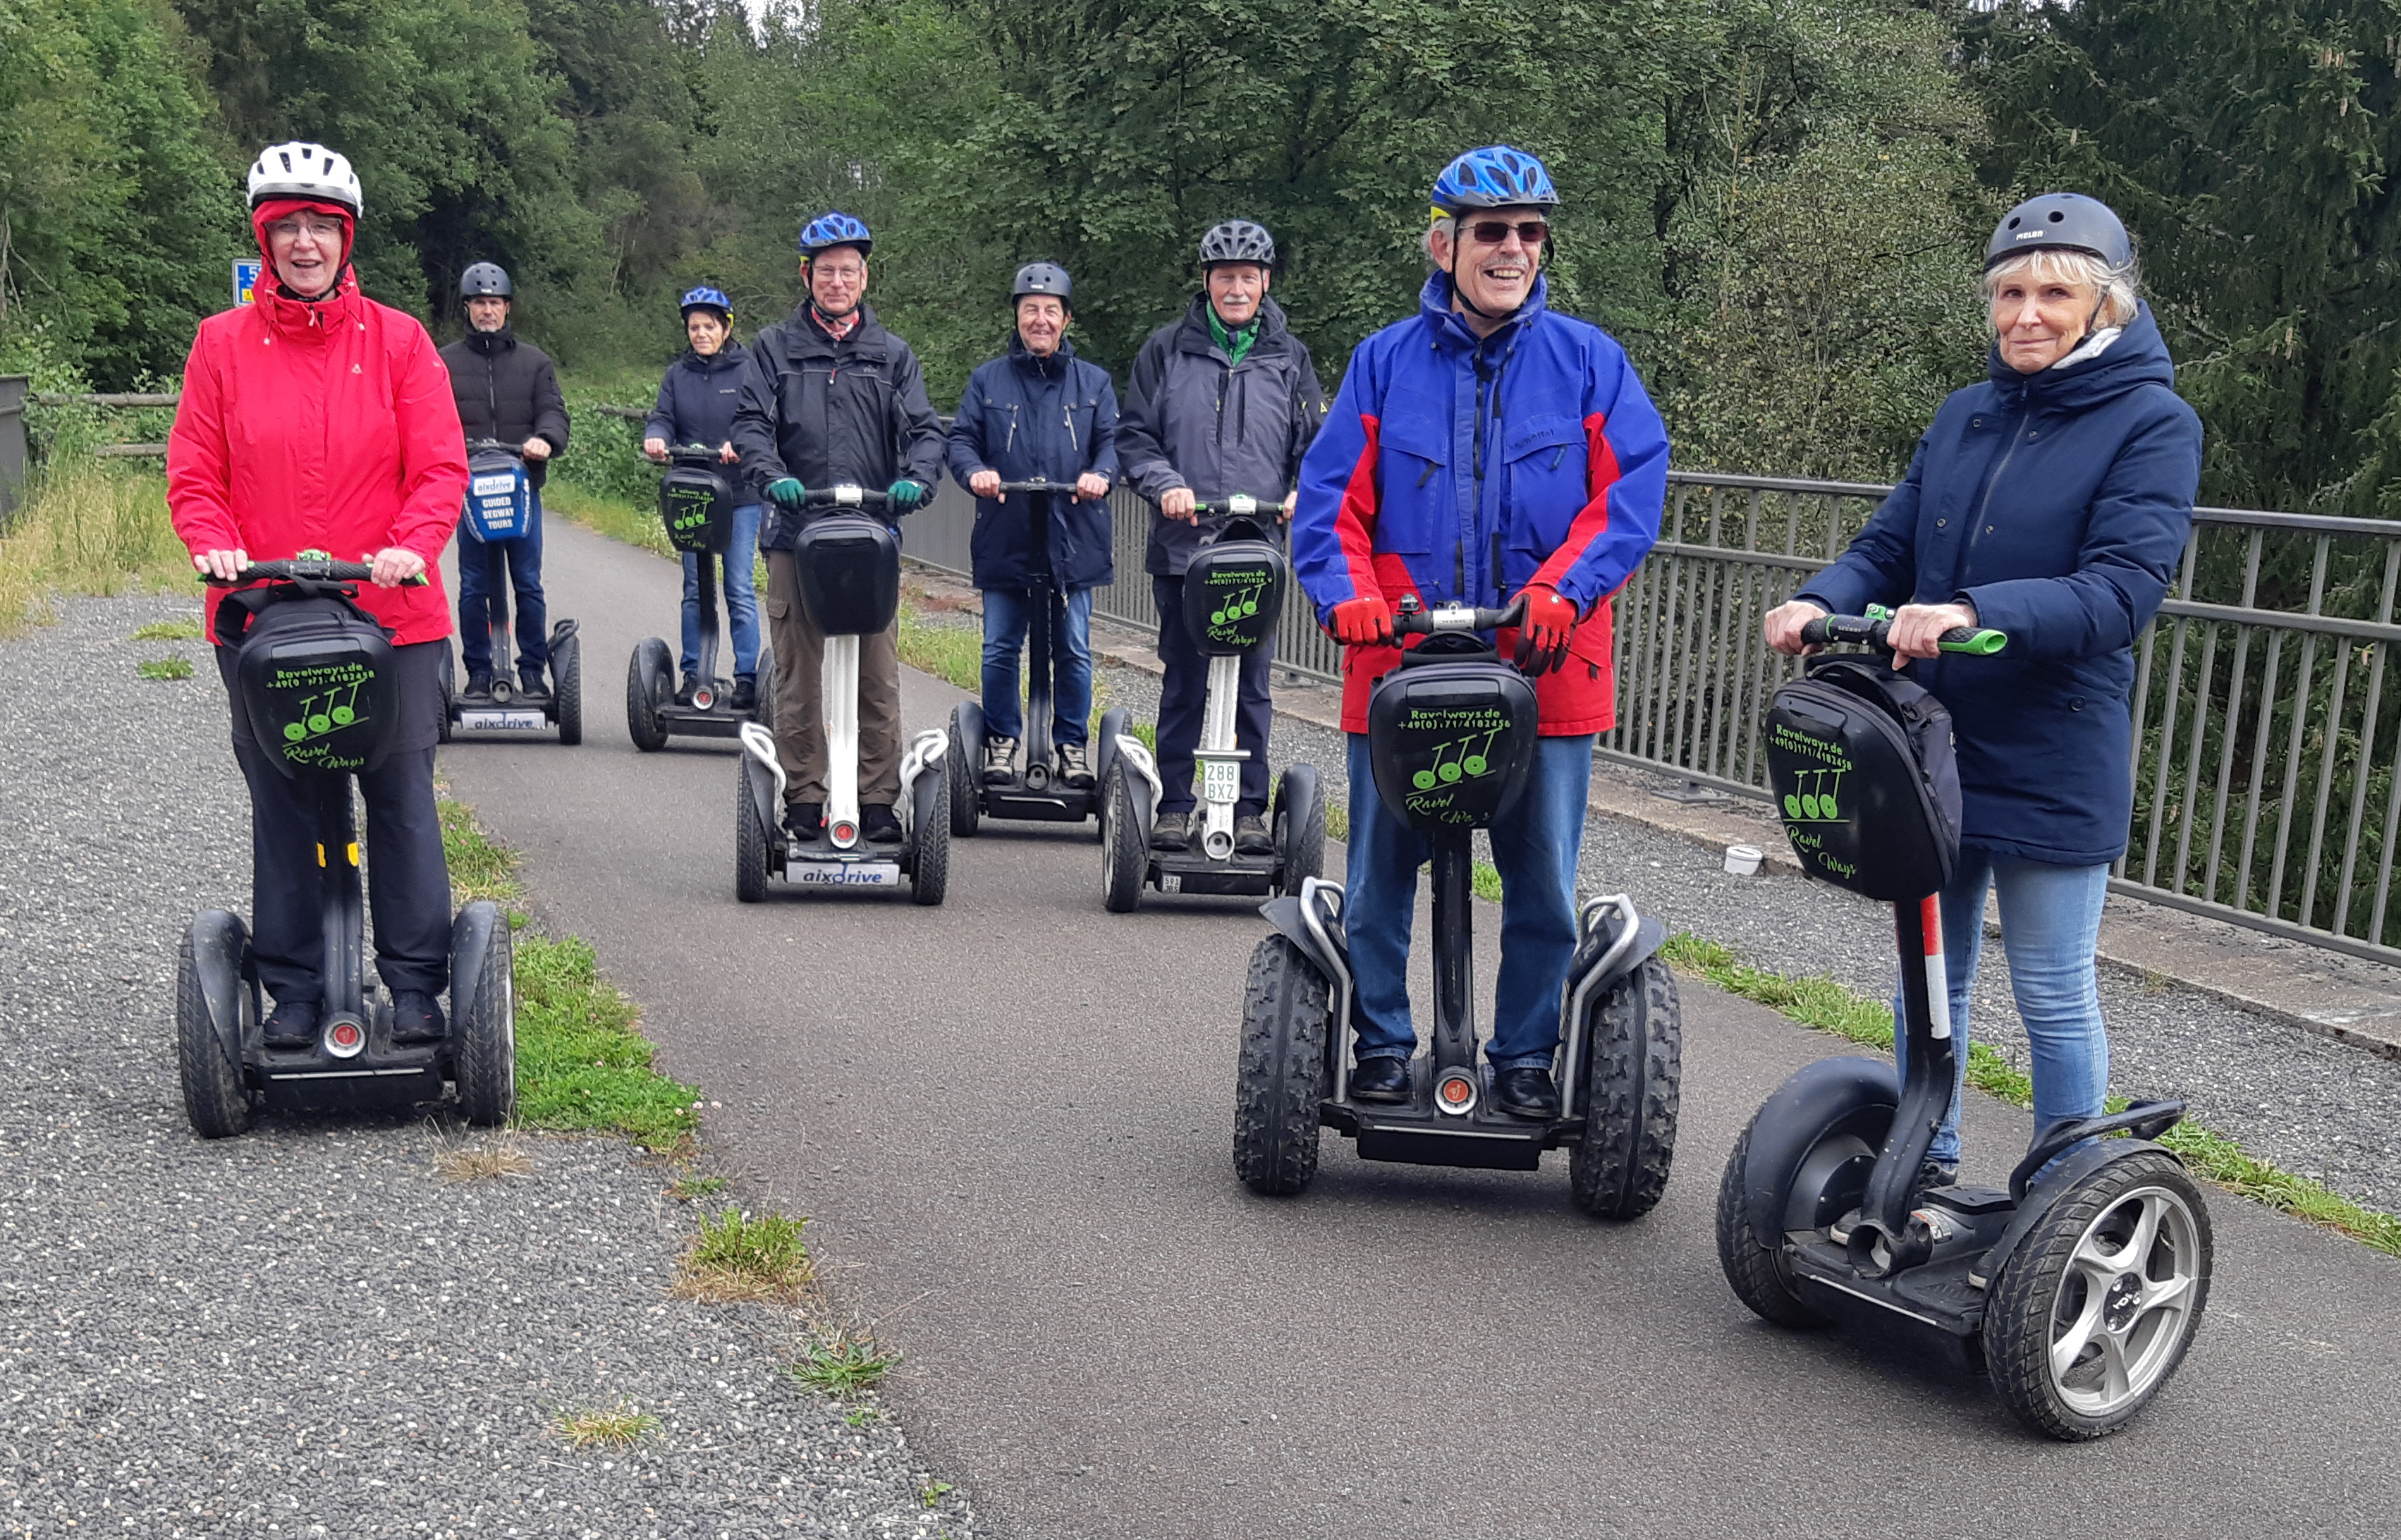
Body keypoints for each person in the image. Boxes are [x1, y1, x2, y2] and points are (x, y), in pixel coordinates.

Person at [1764, 192, 2202, 1187]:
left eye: (2055, 293)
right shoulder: (1968, 412)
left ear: (2107, 307)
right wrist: (1815, 597)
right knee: (1930, 973)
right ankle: (1926, 1161)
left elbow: (2119, 593)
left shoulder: (2153, 423)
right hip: (1933, 743)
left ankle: (2061, 1200)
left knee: (2050, 987)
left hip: (2055, 742)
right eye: (2010, 292)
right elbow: (1888, 541)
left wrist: (1967, 610)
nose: (2026, 315)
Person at [1289, 146, 1669, 1119]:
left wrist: (1563, 591)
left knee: (1540, 884)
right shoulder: (1383, 363)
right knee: (1379, 878)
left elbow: (1627, 495)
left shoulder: (1588, 362)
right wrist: (1350, 595)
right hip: (1401, 667)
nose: (1511, 249)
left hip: (1545, 667)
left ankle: (1526, 1057)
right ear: (1443, 241)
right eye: (1490, 231)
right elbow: (1331, 503)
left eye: (1528, 233)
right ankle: (1380, 1045)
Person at [168, 141, 470, 1047]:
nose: (305, 243)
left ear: (346, 238)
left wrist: (408, 551)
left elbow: (439, 467)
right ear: (264, 239)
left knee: (401, 799)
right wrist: (214, 543)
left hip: (392, 616)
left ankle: (416, 988)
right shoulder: (222, 344)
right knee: (287, 803)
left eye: (320, 227)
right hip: (263, 618)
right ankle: (294, 992)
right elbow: (195, 471)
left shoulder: (401, 341)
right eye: (287, 226)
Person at [732, 212, 944, 848]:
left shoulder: (891, 353)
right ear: (806, 275)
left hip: (870, 537)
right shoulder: (773, 348)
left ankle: (878, 801)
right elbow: (749, 425)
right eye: (825, 270)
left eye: (848, 270)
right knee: (800, 678)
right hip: (797, 534)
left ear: (864, 276)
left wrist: (917, 479)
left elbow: (928, 432)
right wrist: (771, 476)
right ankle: (805, 799)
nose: (837, 281)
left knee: (877, 676)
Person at [1118, 220, 1325, 853]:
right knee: (1184, 677)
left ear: (1264, 283)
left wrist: (1300, 491)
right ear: (1206, 282)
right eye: (1224, 277)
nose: (1236, 288)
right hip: (1185, 546)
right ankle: (1177, 805)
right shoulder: (1165, 351)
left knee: (1253, 683)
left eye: (1247, 277)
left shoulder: (1289, 358)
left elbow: (1317, 447)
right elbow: (1134, 437)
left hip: (1256, 547)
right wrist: (1164, 484)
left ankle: (1249, 809)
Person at [945, 262, 1120, 789]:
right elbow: (961, 441)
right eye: (1030, 311)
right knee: (1000, 646)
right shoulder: (988, 379)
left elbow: (1115, 442)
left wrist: (1100, 474)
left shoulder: (1093, 382)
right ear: (1017, 317)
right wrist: (975, 472)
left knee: (1073, 647)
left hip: (1073, 537)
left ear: (1066, 319)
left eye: (1050, 311)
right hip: (1008, 531)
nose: (1039, 320)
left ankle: (1071, 744)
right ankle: (1002, 738)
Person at [439, 261, 570, 697]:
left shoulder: (534, 362)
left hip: (522, 488)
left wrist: (544, 439)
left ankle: (532, 671)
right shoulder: (446, 362)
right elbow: (431, 418)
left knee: (527, 582)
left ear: (507, 307)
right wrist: (448, 448)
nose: (487, 311)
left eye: (494, 302)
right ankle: (478, 672)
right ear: (468, 308)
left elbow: (553, 411)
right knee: (474, 585)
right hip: (469, 488)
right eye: (479, 303)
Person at [642, 286, 764, 710]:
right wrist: (657, 439)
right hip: (692, 493)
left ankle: (747, 677)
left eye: (708, 326)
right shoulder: (678, 375)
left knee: (738, 587)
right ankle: (695, 672)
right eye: (694, 327)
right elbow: (662, 418)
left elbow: (763, 420)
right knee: (695, 588)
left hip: (741, 493)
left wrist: (742, 442)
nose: (700, 334)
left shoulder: (750, 370)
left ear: (726, 327)